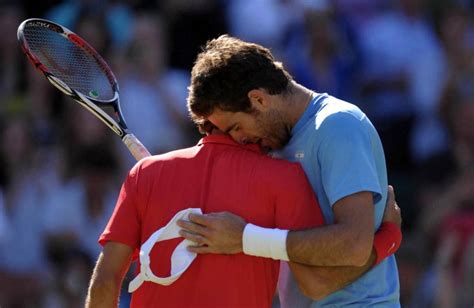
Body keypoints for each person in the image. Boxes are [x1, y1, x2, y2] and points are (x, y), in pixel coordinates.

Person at [180, 35, 401, 306]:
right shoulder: (270, 146)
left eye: (237, 127)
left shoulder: (339, 126)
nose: (240, 140)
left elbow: (354, 245)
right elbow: (314, 284)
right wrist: (387, 240)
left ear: (259, 100)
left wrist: (244, 238)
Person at [85, 126, 401, 308]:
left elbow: (105, 281)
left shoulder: (146, 174)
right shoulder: (284, 178)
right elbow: (317, 284)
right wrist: (388, 238)